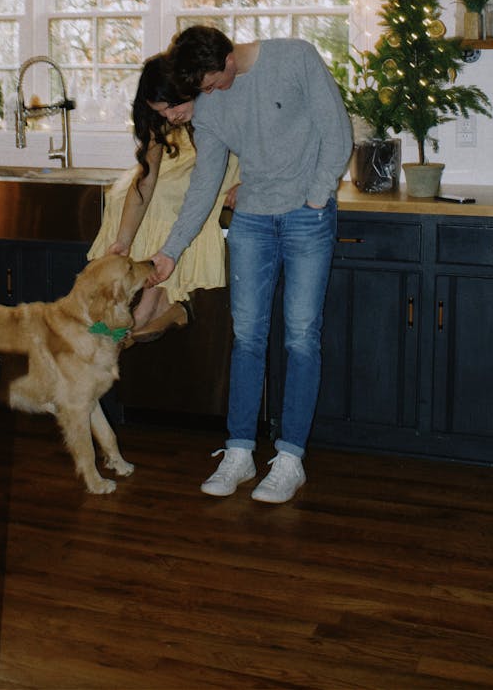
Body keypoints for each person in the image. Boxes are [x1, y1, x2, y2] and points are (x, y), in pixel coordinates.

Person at [149, 26, 352, 504]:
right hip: (253, 223)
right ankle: (239, 451)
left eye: (212, 80)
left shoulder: (296, 58)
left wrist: (316, 197)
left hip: (307, 217)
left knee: (302, 336)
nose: (209, 92)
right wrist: (170, 250)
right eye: (200, 87)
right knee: (247, 337)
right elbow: (206, 181)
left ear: (229, 56)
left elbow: (337, 131)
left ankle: (290, 459)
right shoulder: (212, 101)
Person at [88, 54, 239, 342]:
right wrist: (123, 240)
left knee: (174, 191)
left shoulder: (216, 104)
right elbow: (146, 178)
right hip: (183, 154)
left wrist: (251, 183)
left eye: (173, 106)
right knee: (126, 192)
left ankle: (158, 300)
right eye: (161, 112)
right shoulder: (164, 120)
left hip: (222, 159)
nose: (170, 116)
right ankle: (149, 296)